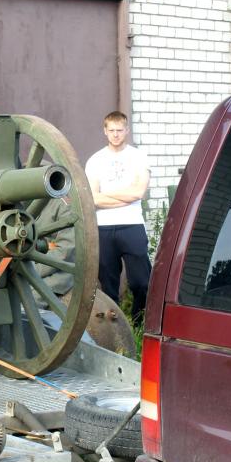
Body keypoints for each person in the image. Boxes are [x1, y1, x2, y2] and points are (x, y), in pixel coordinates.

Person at [85, 110, 151, 324]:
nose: (115, 135)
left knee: (141, 282)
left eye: (119, 130)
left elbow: (138, 192)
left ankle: (139, 323)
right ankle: (116, 330)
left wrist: (106, 196)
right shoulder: (95, 160)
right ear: (105, 131)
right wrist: (126, 196)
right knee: (108, 284)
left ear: (127, 130)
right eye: (111, 130)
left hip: (132, 226)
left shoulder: (138, 157)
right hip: (104, 228)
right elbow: (92, 199)